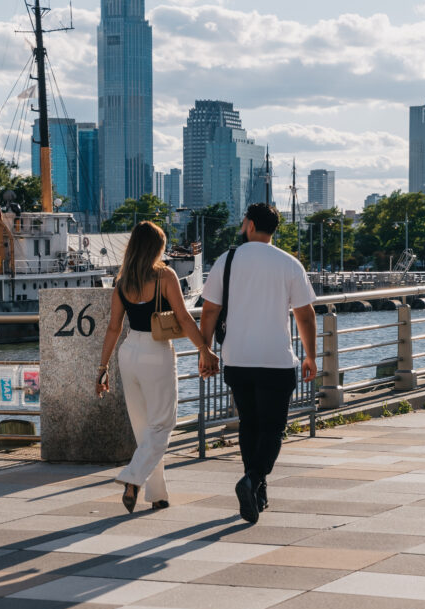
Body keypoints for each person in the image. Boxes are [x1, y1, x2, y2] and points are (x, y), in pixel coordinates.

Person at [199, 203, 317, 524]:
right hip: (276, 359)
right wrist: (310, 355)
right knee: (273, 428)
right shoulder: (289, 263)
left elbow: (210, 311)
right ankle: (252, 479)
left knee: (249, 425)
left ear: (249, 225)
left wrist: (204, 350)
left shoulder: (228, 260)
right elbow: (304, 315)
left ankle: (256, 488)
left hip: (237, 358)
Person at [96, 221, 219, 513]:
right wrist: (204, 348)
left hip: (128, 352)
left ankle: (158, 494)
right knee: (162, 424)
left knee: (145, 429)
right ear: (156, 247)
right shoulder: (165, 275)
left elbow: (113, 328)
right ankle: (132, 478)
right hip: (156, 351)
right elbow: (185, 318)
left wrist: (102, 368)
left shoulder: (122, 282)